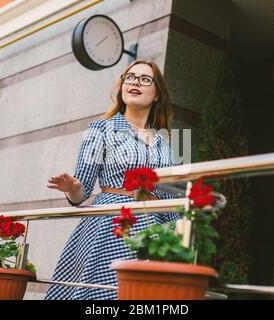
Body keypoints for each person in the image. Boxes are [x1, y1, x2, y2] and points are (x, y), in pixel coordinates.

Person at [44, 60, 179, 300]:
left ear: (157, 94)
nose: (135, 82)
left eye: (145, 79)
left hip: (155, 230)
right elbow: (81, 193)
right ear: (122, 86)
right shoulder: (101, 129)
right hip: (110, 226)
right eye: (130, 77)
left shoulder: (172, 141)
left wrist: (179, 238)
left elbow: (173, 197)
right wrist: (72, 188)